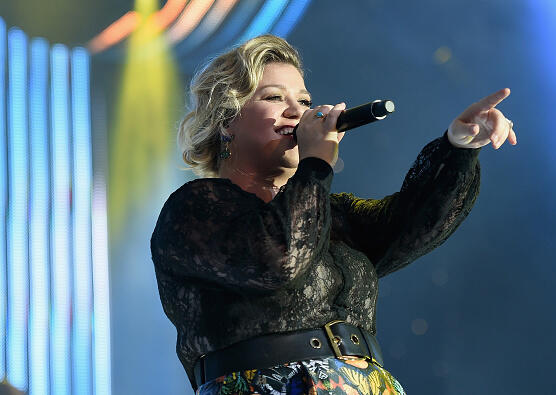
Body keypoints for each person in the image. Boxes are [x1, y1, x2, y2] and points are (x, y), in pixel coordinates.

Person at [150, 34, 517, 395]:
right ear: (227, 120)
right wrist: (316, 163)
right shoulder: (193, 208)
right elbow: (279, 261)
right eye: (275, 97)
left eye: (305, 99)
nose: (299, 110)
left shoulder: (331, 213)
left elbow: (413, 226)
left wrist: (458, 148)